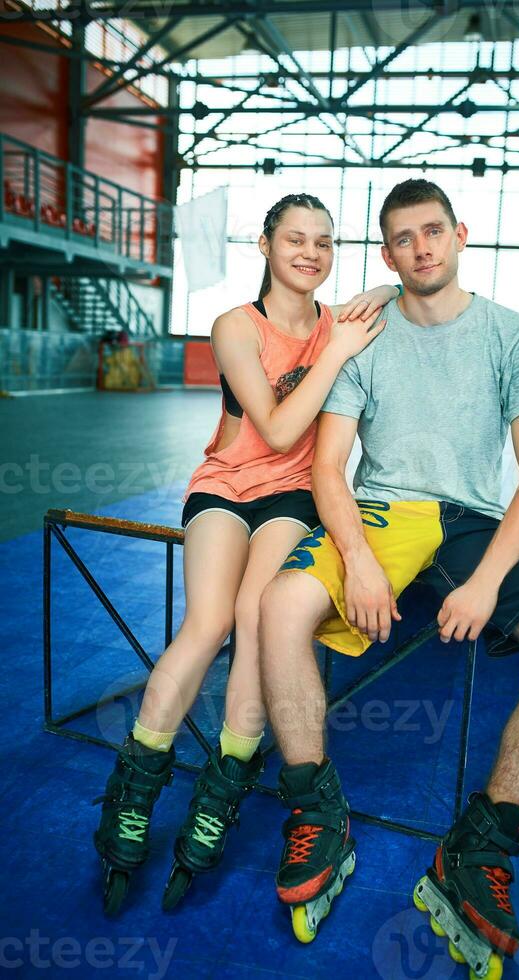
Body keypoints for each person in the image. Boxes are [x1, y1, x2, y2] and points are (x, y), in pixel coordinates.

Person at [258, 178, 519, 958]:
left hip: (477, 521)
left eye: (433, 232)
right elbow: (329, 468)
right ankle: (318, 811)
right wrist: (357, 558)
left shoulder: (513, 334)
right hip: (385, 513)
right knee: (281, 607)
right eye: (404, 239)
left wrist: (485, 584)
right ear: (388, 253)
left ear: (459, 234)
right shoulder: (365, 338)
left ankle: (480, 846)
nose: (421, 248)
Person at [92, 191, 399, 916]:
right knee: (207, 626)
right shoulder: (235, 326)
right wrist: (338, 353)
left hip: (295, 497)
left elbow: (393, 286)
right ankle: (133, 797)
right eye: (295, 239)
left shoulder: (336, 322)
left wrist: (373, 296)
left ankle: (221, 788)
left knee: (259, 622)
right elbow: (283, 428)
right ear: (264, 245)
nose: (310, 254)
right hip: (227, 486)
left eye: (324, 243)